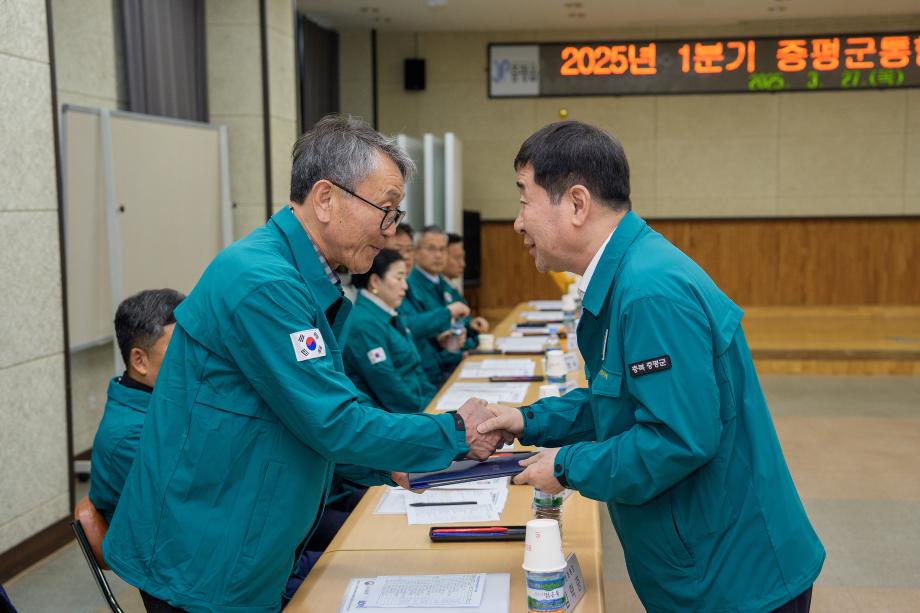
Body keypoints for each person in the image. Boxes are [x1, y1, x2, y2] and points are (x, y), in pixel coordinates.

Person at [102, 115, 508, 613]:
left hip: (237, 532)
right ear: (325, 198)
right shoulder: (264, 282)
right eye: (384, 211)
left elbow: (307, 411)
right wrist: (454, 431)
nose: (390, 232)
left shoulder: (300, 277)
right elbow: (331, 421)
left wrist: (392, 460)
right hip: (207, 553)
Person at [478, 121, 824, 613]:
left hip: (734, 579)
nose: (516, 222)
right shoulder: (631, 276)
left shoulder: (649, 292)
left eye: (523, 199)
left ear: (576, 204)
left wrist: (568, 465)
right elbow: (617, 400)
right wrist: (528, 420)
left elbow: (678, 438)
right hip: (708, 562)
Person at [89, 288, 184, 524]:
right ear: (140, 361)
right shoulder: (129, 437)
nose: (193, 359)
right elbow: (191, 504)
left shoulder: (164, 401)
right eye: (180, 349)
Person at [344, 248, 437, 413]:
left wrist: (437, 400)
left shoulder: (389, 312)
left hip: (420, 406)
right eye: (399, 278)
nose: (405, 286)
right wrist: (433, 411)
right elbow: (388, 387)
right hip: (397, 417)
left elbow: (415, 368)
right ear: (374, 282)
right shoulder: (364, 324)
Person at [398, 225, 471, 385]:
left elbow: (465, 320)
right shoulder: (408, 286)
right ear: (416, 251)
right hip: (432, 372)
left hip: (449, 362)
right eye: (431, 249)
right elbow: (417, 329)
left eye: (442, 249)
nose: (438, 255)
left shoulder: (443, 284)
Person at [443, 232, 489, 334]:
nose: (463, 264)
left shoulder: (451, 287)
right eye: (457, 258)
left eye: (462, 258)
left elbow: (464, 321)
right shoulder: (437, 288)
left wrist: (472, 323)